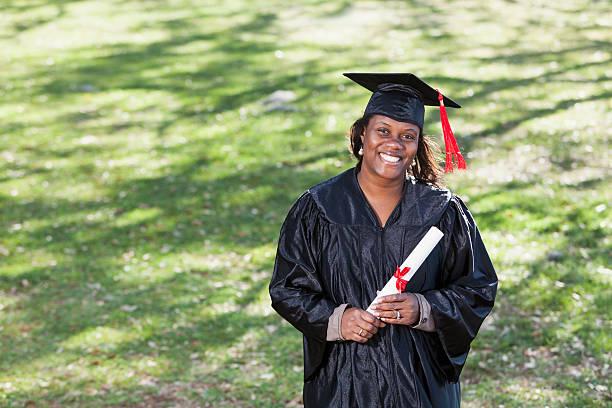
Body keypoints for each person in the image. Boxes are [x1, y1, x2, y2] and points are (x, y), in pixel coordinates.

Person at [269, 73, 498, 407]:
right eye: (383, 131)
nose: (394, 143)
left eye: (408, 135)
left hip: (420, 383)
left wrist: (424, 307)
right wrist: (337, 319)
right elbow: (287, 289)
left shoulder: (442, 211)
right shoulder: (318, 208)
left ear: (418, 145)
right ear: (362, 134)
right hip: (342, 381)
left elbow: (478, 287)